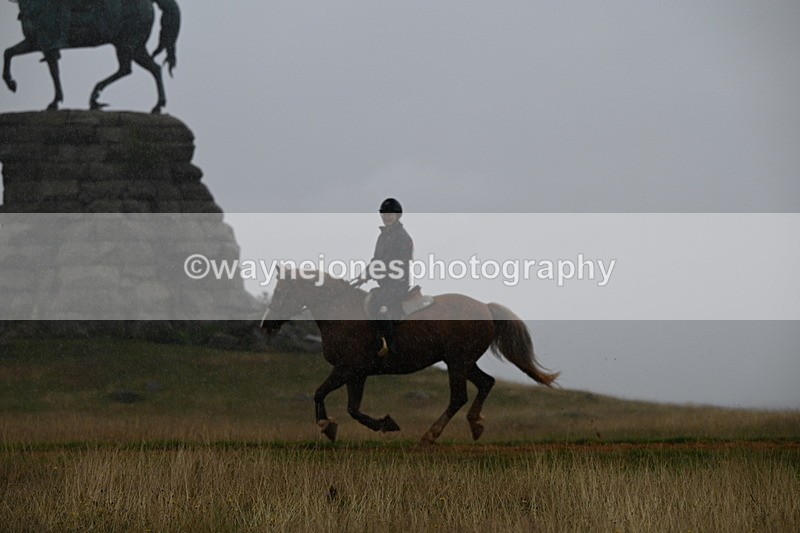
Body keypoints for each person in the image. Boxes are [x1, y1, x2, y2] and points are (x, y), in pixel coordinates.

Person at [353, 198, 414, 357]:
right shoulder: (383, 236)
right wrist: (364, 275)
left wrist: (373, 273)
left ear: (397, 215)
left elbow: (396, 264)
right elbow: (377, 260)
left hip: (398, 284)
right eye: (384, 214)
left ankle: (392, 348)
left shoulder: (403, 237)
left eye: (390, 214)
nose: (386, 217)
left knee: (380, 307)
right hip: (386, 285)